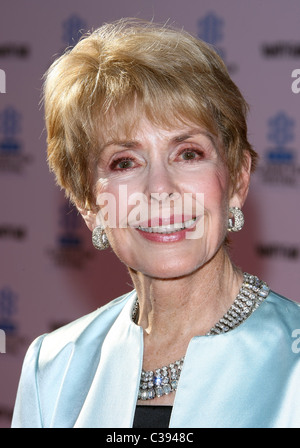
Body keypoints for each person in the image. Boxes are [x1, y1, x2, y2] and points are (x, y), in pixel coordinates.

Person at [12, 18, 300, 428]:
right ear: (89, 203)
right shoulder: (53, 368)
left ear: (237, 179)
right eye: (125, 162)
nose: (159, 189)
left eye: (188, 153)